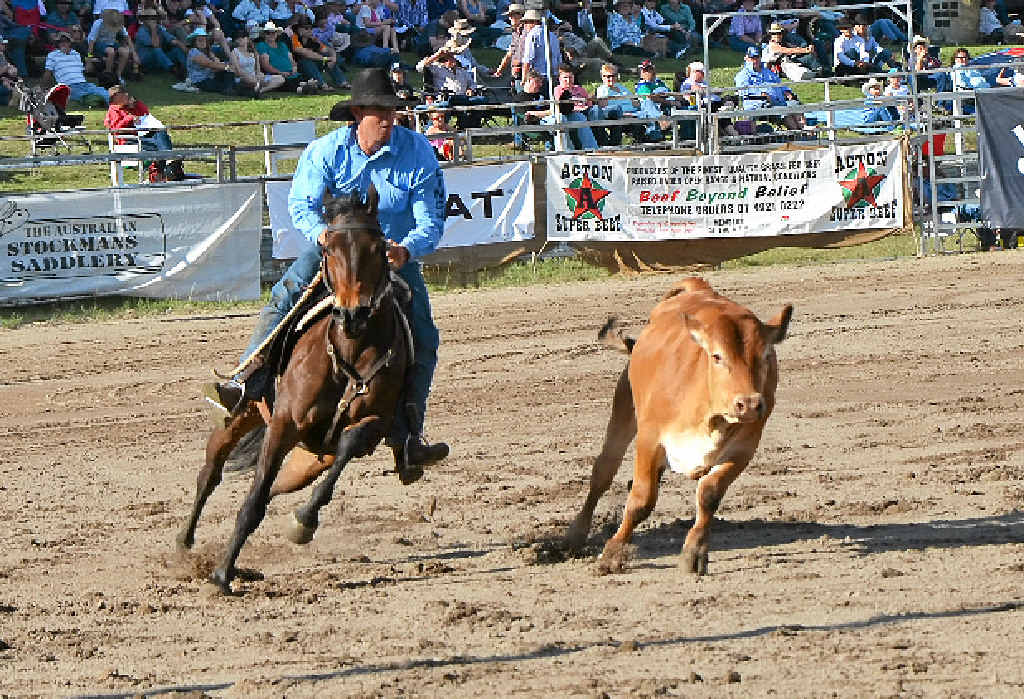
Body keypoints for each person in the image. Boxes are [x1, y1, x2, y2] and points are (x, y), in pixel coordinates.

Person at [204, 67, 449, 471]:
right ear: (358, 114)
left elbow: (431, 219)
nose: (389, 119)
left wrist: (407, 249)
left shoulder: (418, 151)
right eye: (380, 111)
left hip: (389, 256)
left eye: (393, 111)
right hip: (334, 252)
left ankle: (408, 434)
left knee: (423, 335)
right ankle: (245, 380)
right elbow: (301, 205)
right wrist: (323, 237)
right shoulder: (326, 151)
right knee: (286, 294)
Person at [734, 45, 803, 131]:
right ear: (746, 58)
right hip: (760, 104)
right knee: (785, 113)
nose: (755, 60)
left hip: (780, 102)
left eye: (757, 57)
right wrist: (760, 94)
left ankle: (805, 132)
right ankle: (798, 134)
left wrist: (787, 91)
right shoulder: (743, 75)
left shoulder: (767, 71)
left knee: (795, 105)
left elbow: (779, 83)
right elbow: (743, 91)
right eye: (752, 58)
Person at [44, 32, 110, 106]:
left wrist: (89, 62)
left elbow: (87, 71)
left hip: (84, 84)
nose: (63, 43)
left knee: (104, 92)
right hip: (68, 86)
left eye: (66, 41)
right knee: (86, 97)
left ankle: (112, 105)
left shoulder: (76, 54)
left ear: (70, 43)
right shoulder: (52, 55)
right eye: (61, 41)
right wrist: (45, 88)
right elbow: (48, 73)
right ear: (58, 43)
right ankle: (93, 99)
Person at [551, 61, 600, 149]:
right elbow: (561, 107)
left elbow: (589, 104)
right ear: (560, 79)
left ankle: (601, 141)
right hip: (570, 113)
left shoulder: (580, 89)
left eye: (570, 77)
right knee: (579, 117)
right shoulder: (558, 90)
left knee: (596, 110)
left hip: (585, 111)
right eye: (565, 78)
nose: (568, 80)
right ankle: (591, 148)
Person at [87, 8, 139, 85]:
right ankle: (108, 75)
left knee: (125, 51)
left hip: (112, 43)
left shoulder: (118, 23)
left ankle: (118, 75)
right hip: (98, 43)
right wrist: (89, 59)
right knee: (111, 51)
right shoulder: (98, 24)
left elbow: (127, 38)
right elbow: (91, 42)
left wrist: (134, 53)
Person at [135, 5, 189, 78]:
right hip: (146, 61)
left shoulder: (159, 28)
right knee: (157, 50)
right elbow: (155, 45)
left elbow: (172, 40)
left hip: (160, 59)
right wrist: (153, 29)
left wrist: (183, 46)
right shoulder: (141, 31)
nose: (152, 20)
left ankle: (187, 69)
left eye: (154, 17)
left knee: (177, 49)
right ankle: (174, 70)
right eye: (149, 18)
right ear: (144, 20)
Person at [230, 29, 286, 94]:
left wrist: (259, 75)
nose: (240, 39)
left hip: (255, 76)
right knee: (251, 80)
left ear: (247, 39)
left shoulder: (253, 52)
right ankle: (258, 86)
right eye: (237, 38)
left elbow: (257, 70)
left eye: (242, 37)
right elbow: (238, 71)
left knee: (280, 79)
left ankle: (260, 90)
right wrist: (253, 77)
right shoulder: (234, 52)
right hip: (243, 78)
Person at [520, 8, 558, 85]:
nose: (525, 25)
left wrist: (524, 79)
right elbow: (558, 57)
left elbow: (528, 59)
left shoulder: (532, 35)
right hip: (553, 74)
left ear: (534, 22)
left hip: (538, 76)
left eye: (526, 22)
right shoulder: (552, 35)